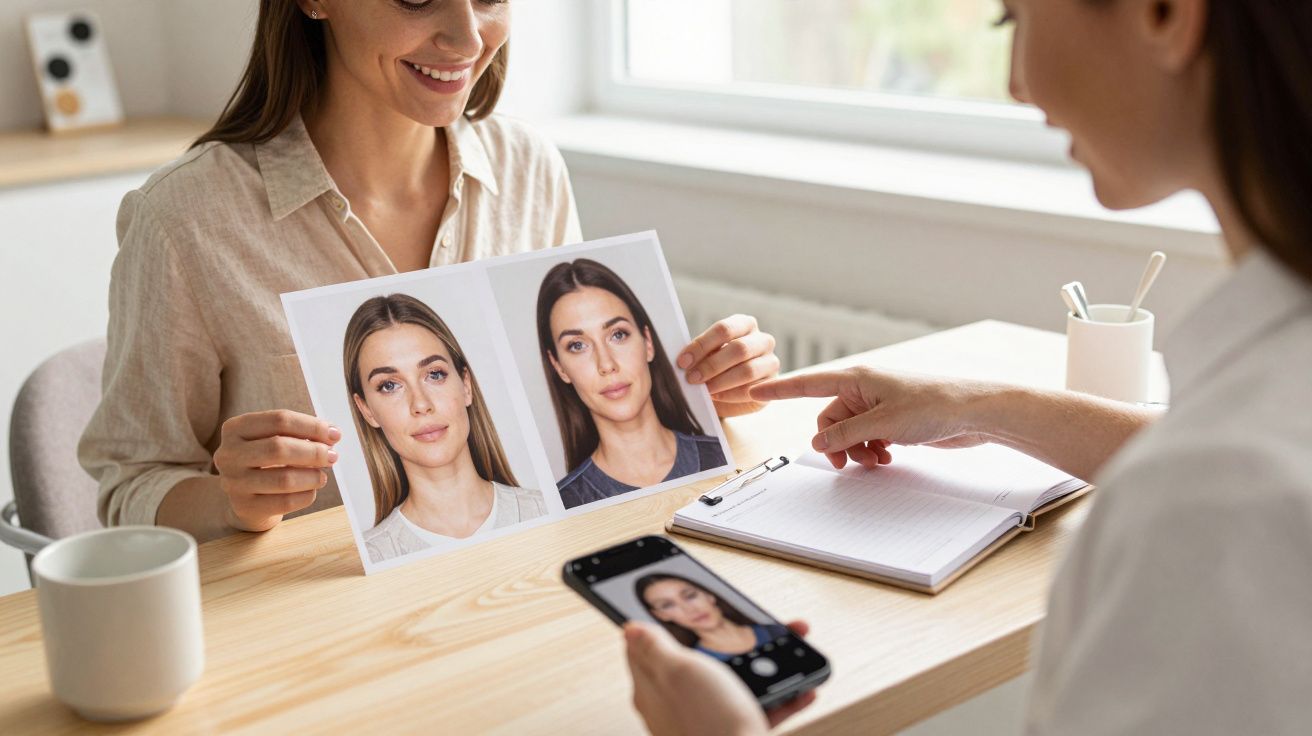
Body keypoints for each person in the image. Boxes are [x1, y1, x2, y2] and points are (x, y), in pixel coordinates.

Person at [623, 0, 1312, 734]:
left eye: (1013, 19)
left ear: (1165, 14)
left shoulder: (1227, 501)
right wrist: (982, 405)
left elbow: (1215, 479)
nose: (1018, 84)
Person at [78, 0, 778, 543]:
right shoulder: (186, 219)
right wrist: (232, 501)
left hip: (517, 600)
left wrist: (701, 390)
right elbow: (130, 486)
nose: (469, 39)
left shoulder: (528, 170)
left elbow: (555, 439)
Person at [342, 294, 543, 562]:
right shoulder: (372, 557)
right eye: (389, 385)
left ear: (466, 386)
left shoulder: (546, 510)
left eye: (434, 374)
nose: (421, 404)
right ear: (366, 410)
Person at [536, 260, 746, 508]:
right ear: (559, 366)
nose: (606, 364)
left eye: (618, 334)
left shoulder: (723, 456)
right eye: (577, 345)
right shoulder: (563, 503)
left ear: (647, 342)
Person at [635, 574, 789, 661]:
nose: (690, 609)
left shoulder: (777, 631)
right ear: (661, 615)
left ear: (709, 596)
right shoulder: (697, 666)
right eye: (668, 605)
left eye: (690, 596)